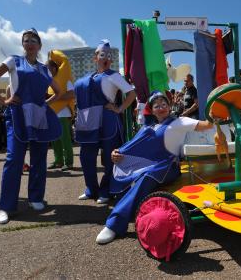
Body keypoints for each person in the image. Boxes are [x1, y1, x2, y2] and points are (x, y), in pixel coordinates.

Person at [96, 92, 214, 244]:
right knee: (138, 179)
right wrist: (116, 153)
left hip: (168, 167)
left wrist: (215, 112)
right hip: (150, 166)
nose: (161, 108)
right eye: (156, 106)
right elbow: (131, 147)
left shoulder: (180, 122)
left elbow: (207, 125)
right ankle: (127, 209)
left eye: (164, 104)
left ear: (169, 106)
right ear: (151, 110)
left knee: (146, 177)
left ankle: (114, 224)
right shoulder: (148, 127)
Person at [0, 28, 63, 224]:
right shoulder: (13, 60)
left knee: (39, 159)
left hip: (39, 117)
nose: (29, 43)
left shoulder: (45, 69)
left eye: (33, 40)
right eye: (26, 40)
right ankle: (5, 206)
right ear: (23, 44)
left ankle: (35, 197)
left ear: (39, 45)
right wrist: (3, 101)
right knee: (14, 159)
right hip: (17, 114)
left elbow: (59, 91)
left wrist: (46, 104)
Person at [72, 39, 136, 204]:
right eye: (102, 55)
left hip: (108, 119)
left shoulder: (114, 75)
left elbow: (131, 93)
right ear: (96, 58)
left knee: (109, 158)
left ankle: (106, 190)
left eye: (108, 55)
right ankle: (90, 189)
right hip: (89, 120)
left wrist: (120, 109)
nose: (106, 57)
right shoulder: (88, 78)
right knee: (87, 156)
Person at [46, 50, 75, 171]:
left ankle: (68, 162)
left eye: (48, 68)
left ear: (54, 67)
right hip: (53, 113)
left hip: (63, 113)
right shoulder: (50, 81)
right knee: (55, 139)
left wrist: (56, 97)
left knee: (65, 139)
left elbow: (72, 94)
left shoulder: (65, 78)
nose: (47, 70)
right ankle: (58, 161)